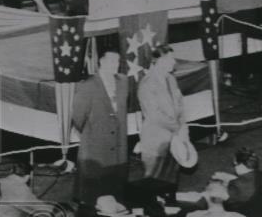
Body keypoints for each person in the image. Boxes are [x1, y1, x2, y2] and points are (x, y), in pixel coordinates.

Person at [71, 49, 129, 207]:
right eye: (111, 61)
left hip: (118, 144)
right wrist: (91, 133)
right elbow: (77, 117)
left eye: (117, 62)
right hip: (96, 145)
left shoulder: (124, 81)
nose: (115, 65)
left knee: (116, 184)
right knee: (93, 185)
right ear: (101, 62)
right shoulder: (87, 85)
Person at [137, 45, 187, 184]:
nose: (174, 62)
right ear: (159, 61)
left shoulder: (171, 79)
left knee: (171, 179)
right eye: (171, 59)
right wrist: (177, 127)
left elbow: (180, 105)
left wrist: (183, 128)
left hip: (174, 139)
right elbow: (155, 116)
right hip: (156, 141)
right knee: (154, 181)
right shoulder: (147, 84)